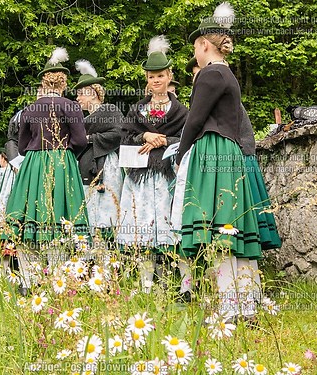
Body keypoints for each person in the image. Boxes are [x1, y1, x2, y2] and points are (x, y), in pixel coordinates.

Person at [172, 3, 262, 320]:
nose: (194, 54)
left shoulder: (209, 73)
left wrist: (182, 153)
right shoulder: (228, 74)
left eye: (195, 48)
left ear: (203, 44)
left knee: (220, 233)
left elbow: (194, 121)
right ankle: (246, 306)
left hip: (213, 151)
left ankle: (228, 308)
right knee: (232, 231)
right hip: (231, 153)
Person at [3, 47, 88, 292]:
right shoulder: (71, 106)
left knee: (32, 216)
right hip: (61, 164)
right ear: (63, 83)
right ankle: (58, 279)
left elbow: (20, 145)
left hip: (34, 165)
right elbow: (81, 140)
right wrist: (65, 151)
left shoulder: (30, 109)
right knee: (59, 216)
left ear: (43, 82)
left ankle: (28, 280)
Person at [117, 35, 188, 292]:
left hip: (168, 177)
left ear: (169, 77)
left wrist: (164, 140)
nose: (155, 80)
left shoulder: (182, 112)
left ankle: (184, 287)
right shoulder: (137, 109)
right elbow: (124, 136)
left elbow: (187, 139)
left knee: (172, 230)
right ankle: (148, 285)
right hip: (140, 179)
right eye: (150, 76)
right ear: (147, 80)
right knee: (143, 231)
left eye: (160, 76)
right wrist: (144, 135)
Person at [74, 59, 124, 245]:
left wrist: (89, 139)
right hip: (87, 170)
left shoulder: (110, 110)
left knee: (107, 214)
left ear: (93, 93)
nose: (77, 98)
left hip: (107, 167)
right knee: (90, 216)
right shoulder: (82, 119)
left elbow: (119, 133)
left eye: (81, 94)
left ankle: (109, 259)